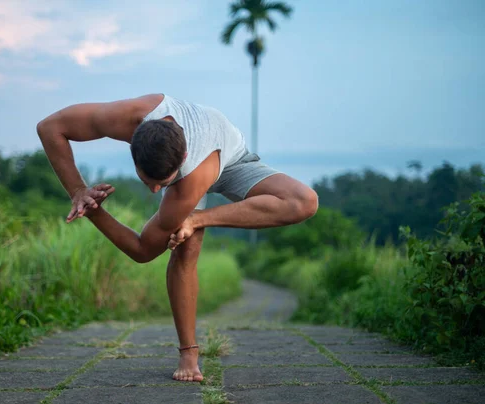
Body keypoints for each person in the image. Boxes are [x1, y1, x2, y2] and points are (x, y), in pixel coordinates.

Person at [36, 93, 318, 382]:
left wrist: (96, 214)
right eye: (147, 181)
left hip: (229, 160)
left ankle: (198, 220)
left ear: (181, 161)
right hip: (199, 150)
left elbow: (142, 250)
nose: (155, 190)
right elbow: (50, 127)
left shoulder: (188, 180)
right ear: (132, 145)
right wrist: (79, 192)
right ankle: (188, 352)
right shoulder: (130, 116)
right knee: (183, 239)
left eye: (163, 182)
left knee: (301, 202)